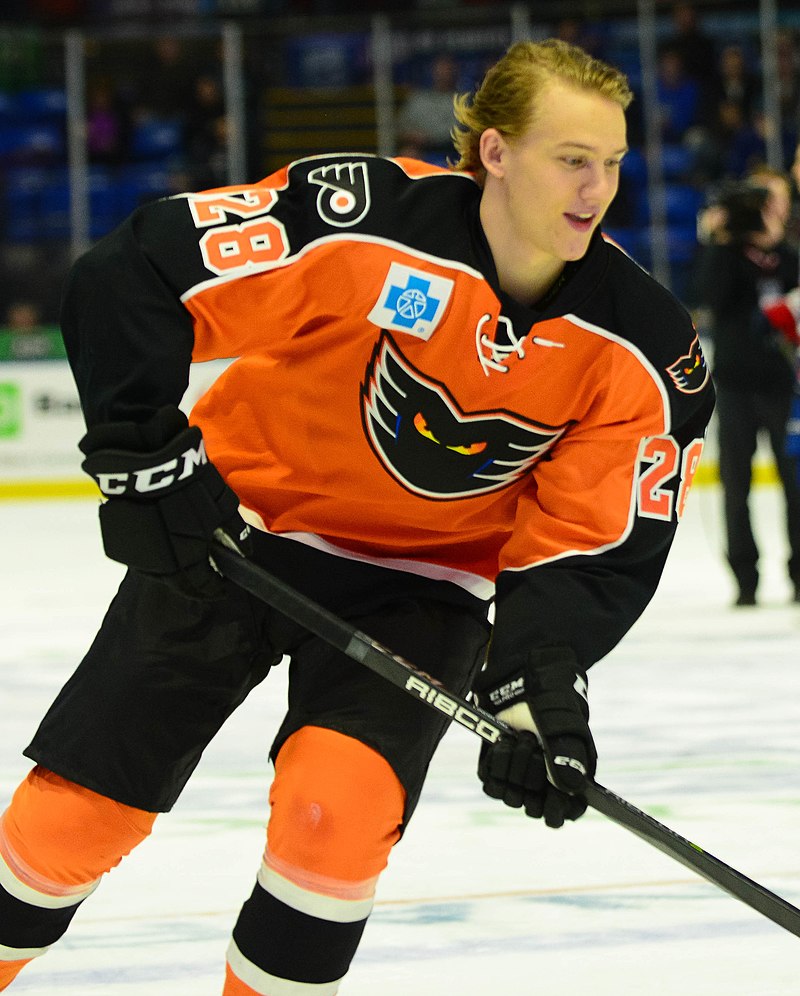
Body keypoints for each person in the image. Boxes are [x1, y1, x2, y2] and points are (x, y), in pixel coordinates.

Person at [0, 38, 714, 994]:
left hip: (422, 588)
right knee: (72, 822)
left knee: (333, 823)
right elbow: (139, 272)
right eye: (571, 159)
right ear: (494, 152)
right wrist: (140, 458)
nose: (596, 188)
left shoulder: (644, 348)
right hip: (242, 532)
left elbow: (589, 546)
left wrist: (538, 691)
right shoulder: (364, 217)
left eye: (613, 163)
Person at [696, 172, 800, 606]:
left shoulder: (791, 257)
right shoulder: (725, 256)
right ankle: (745, 578)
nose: (767, 209)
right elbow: (705, 300)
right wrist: (716, 242)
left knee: (795, 483)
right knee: (734, 484)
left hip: (783, 387)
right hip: (735, 385)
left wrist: (774, 245)